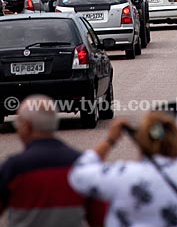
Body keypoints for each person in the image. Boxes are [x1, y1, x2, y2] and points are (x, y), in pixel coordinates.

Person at [69, 112, 177, 227]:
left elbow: (78, 174)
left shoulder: (123, 174)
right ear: (176, 140)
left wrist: (111, 140)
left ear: (141, 142)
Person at [0, 95, 105, 227]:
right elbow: (101, 218)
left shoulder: (13, 168)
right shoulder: (81, 164)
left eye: (18, 123)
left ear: (26, 127)